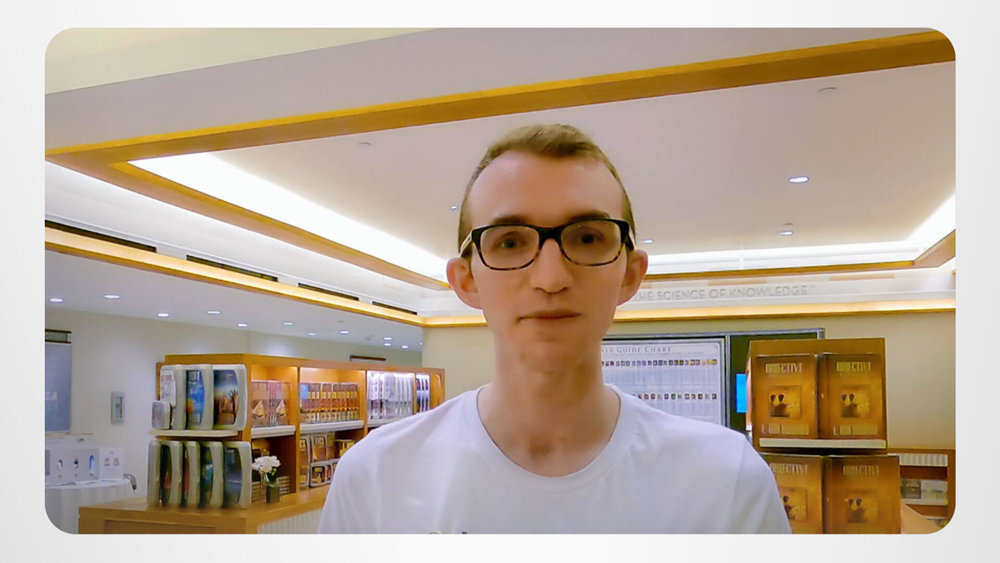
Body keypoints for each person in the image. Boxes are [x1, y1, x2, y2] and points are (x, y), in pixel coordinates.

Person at [317, 123, 791, 533]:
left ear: (630, 275)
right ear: (466, 281)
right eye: (509, 242)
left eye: (586, 237)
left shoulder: (725, 480)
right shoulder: (376, 476)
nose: (550, 278)